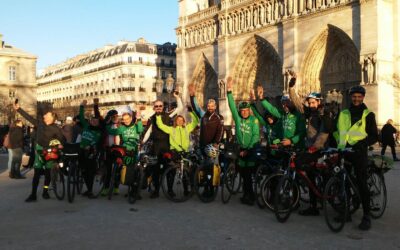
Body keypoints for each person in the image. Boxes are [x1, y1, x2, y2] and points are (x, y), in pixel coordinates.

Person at [288, 75, 334, 216]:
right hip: (310, 148)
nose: (311, 105)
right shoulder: (310, 113)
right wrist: (291, 87)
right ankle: (314, 204)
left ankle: (326, 197)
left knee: (320, 174)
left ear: (319, 102)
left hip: (321, 149)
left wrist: (315, 147)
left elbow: (324, 132)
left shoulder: (324, 113)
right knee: (309, 174)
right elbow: (297, 103)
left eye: (313, 102)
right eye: (310, 102)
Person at [337, 85, 378, 230]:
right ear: (350, 97)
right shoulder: (344, 114)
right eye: (354, 96)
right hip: (344, 152)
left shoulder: (369, 115)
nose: (356, 99)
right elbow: (339, 132)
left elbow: (374, 136)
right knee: (344, 183)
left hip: (359, 153)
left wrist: (362, 143)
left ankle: (366, 216)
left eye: (359, 97)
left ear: (363, 97)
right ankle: (346, 211)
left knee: (361, 184)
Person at [14, 102, 65, 202]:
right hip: (39, 150)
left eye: (47, 114)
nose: (45, 115)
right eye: (45, 114)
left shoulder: (56, 129)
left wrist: (60, 145)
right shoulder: (40, 123)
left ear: (52, 118)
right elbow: (29, 118)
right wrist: (19, 109)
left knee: (48, 174)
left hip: (50, 152)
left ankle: (45, 191)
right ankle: (33, 195)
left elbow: (62, 139)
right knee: (36, 173)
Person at [226, 77, 260, 205]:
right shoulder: (238, 119)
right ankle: (247, 194)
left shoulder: (254, 120)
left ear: (249, 111)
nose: (244, 112)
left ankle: (250, 196)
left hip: (250, 149)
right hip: (241, 149)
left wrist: (248, 149)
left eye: (246, 111)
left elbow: (256, 135)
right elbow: (231, 106)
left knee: (248, 175)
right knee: (243, 173)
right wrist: (229, 91)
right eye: (242, 111)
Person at [142, 92, 183, 198]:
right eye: (156, 106)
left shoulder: (168, 115)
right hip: (155, 146)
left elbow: (180, 108)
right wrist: (142, 142)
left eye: (160, 106)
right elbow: (148, 132)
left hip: (167, 145)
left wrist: (177, 97)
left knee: (171, 168)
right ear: (154, 108)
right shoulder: (151, 118)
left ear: (163, 106)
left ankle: (170, 190)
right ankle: (156, 190)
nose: (159, 108)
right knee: (155, 170)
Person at [188, 83, 224, 198]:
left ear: (215, 107)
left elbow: (220, 131)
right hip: (202, 145)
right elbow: (196, 107)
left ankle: (209, 189)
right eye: (209, 106)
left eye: (212, 106)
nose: (210, 108)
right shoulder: (203, 116)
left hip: (211, 147)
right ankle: (200, 185)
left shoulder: (218, 118)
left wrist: (216, 143)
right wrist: (192, 95)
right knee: (200, 166)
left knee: (209, 168)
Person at [156, 108, 199, 197]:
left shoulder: (187, 128)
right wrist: (158, 116)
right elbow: (160, 125)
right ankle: (170, 190)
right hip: (174, 152)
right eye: (178, 120)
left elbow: (195, 122)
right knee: (172, 172)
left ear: (183, 121)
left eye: (181, 120)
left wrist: (191, 112)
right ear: (175, 121)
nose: (180, 121)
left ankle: (186, 190)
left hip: (185, 152)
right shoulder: (171, 129)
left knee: (186, 172)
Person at [106, 105, 144, 197]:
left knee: (134, 171)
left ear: (131, 118)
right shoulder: (122, 128)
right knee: (126, 170)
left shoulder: (135, 126)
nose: (126, 121)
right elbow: (112, 132)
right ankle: (120, 185)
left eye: (128, 118)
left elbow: (141, 129)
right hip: (125, 150)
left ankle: (134, 191)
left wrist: (139, 120)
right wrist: (107, 122)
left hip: (134, 150)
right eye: (124, 119)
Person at [256, 85, 306, 150]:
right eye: (283, 103)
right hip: (285, 147)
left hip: (297, 147)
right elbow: (271, 109)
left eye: (287, 102)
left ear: (292, 102)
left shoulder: (298, 115)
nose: (284, 105)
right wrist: (261, 98)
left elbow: (303, 132)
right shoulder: (282, 114)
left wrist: (291, 141)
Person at [78, 100, 103, 198]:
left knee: (90, 172)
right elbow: (81, 117)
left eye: (96, 121)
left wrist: (90, 146)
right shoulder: (86, 126)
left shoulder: (98, 132)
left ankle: (90, 190)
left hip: (91, 152)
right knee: (83, 170)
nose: (94, 121)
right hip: (81, 150)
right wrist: (81, 106)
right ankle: (88, 189)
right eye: (92, 120)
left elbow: (96, 141)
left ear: (98, 123)